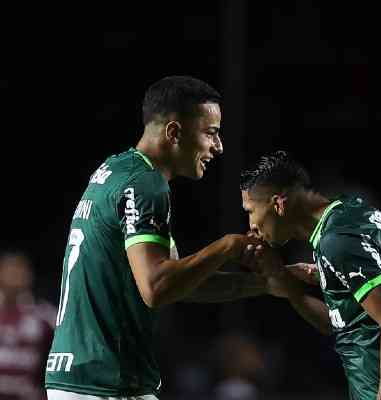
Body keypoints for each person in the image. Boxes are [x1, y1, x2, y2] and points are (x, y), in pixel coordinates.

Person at [45, 76, 269, 399]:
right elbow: (156, 287)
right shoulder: (146, 184)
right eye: (211, 133)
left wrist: (268, 283)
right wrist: (228, 246)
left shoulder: (117, 170)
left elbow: (180, 284)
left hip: (87, 377)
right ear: (174, 132)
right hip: (103, 383)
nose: (218, 147)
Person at [239, 151, 381, 400]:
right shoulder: (349, 214)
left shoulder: (337, 241)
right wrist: (291, 289)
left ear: (278, 204)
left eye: (251, 210)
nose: (251, 224)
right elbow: (339, 326)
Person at [0, 251, 56, 399]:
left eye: (19, 271)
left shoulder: (45, 316)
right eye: (9, 270)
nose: (14, 275)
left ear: (29, 276)